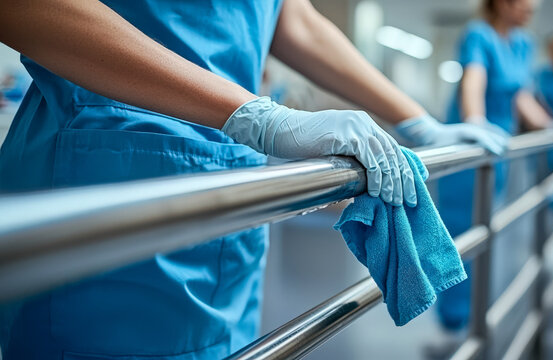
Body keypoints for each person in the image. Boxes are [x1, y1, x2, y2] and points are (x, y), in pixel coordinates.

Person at [0, 1, 506, 359]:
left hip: (234, 192)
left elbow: (295, 18)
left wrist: (415, 119)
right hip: (110, 182)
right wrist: (257, 116)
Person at [435, 0, 553, 334]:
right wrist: (475, 121)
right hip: (470, 152)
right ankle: (452, 325)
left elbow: (522, 98)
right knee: (460, 236)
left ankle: (474, 319)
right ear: (502, 3)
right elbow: (473, 81)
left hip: (496, 153)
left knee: (485, 230)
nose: (533, 6)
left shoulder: (523, 43)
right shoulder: (478, 34)